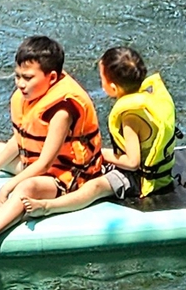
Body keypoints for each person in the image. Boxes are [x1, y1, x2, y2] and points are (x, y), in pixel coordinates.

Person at [0, 35, 104, 260]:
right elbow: (22, 139)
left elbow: (45, 163)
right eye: (17, 76)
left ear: (51, 78)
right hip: (42, 166)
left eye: (28, 78)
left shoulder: (62, 110)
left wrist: (7, 187)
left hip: (69, 176)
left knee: (26, 188)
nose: (21, 84)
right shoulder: (30, 96)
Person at [22, 46, 176, 221]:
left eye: (101, 78)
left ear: (112, 87)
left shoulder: (130, 117)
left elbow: (132, 162)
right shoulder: (143, 99)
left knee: (94, 186)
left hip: (140, 179)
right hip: (151, 171)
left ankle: (48, 207)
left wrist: (99, 153)